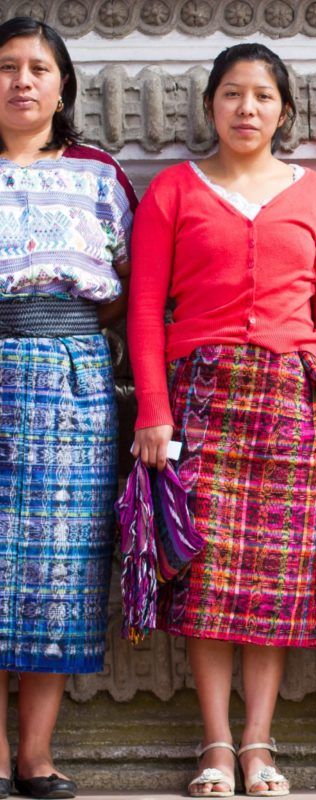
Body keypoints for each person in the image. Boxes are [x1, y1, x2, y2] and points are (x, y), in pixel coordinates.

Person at [128, 43, 316, 799]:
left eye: (261, 96)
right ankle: (216, 746)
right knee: (208, 578)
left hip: (290, 401)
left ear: (284, 111)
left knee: (277, 582)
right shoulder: (173, 191)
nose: (246, 109)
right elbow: (144, 310)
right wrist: (153, 410)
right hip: (202, 398)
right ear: (211, 107)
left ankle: (260, 744)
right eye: (231, 94)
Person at [0, 16, 136, 800]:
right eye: (9, 66)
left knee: (57, 569)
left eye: (39, 68)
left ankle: (36, 757)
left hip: (71, 385)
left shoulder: (95, 173)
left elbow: (129, 284)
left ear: (62, 86)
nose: (23, 81)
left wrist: (60, 338)